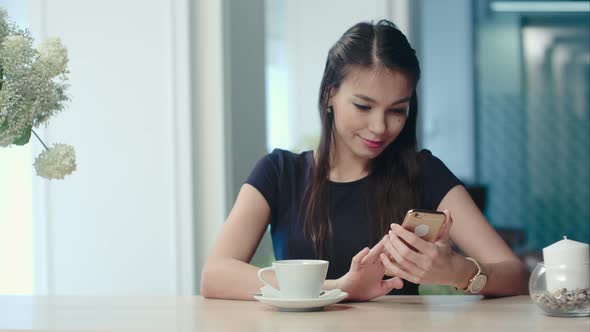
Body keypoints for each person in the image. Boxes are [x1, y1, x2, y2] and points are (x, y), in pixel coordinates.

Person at [200, 19, 529, 301]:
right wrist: (338, 288)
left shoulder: (424, 172)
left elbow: (517, 275)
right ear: (330, 94)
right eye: (363, 106)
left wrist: (459, 271)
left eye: (397, 110)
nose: (380, 127)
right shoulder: (279, 172)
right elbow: (215, 275)